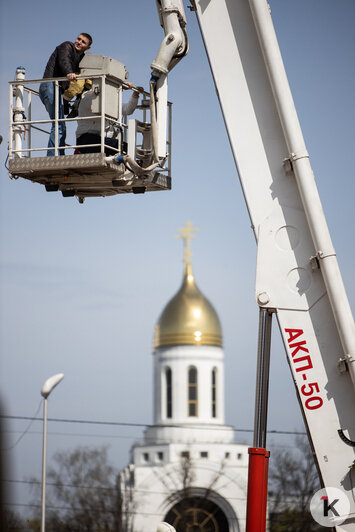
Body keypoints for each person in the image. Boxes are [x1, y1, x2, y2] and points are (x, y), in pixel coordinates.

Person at [39, 34, 92, 156]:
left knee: (60, 125)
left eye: (83, 42)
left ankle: (58, 154)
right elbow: (64, 60)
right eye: (78, 39)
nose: (79, 42)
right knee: (59, 124)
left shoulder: (81, 57)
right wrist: (69, 72)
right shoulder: (66, 46)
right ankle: (53, 157)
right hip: (50, 86)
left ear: (87, 47)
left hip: (56, 89)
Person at [76, 83, 143, 156]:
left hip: (102, 140)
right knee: (123, 147)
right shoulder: (88, 98)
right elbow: (99, 103)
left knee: (124, 147)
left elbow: (127, 109)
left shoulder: (108, 102)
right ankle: (139, 158)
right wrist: (119, 86)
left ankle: (139, 160)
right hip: (87, 140)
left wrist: (135, 95)